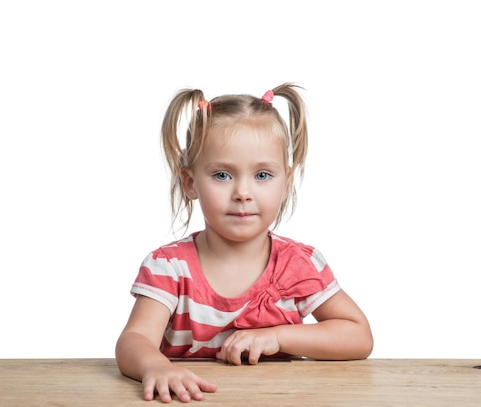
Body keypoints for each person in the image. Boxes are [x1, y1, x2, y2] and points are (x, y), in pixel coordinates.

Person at [115, 83, 373, 403]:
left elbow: (358, 336)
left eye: (262, 175)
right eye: (223, 175)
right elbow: (134, 340)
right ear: (190, 182)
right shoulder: (169, 268)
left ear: (286, 181)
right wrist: (155, 367)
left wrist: (276, 337)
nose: (243, 193)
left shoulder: (299, 265)